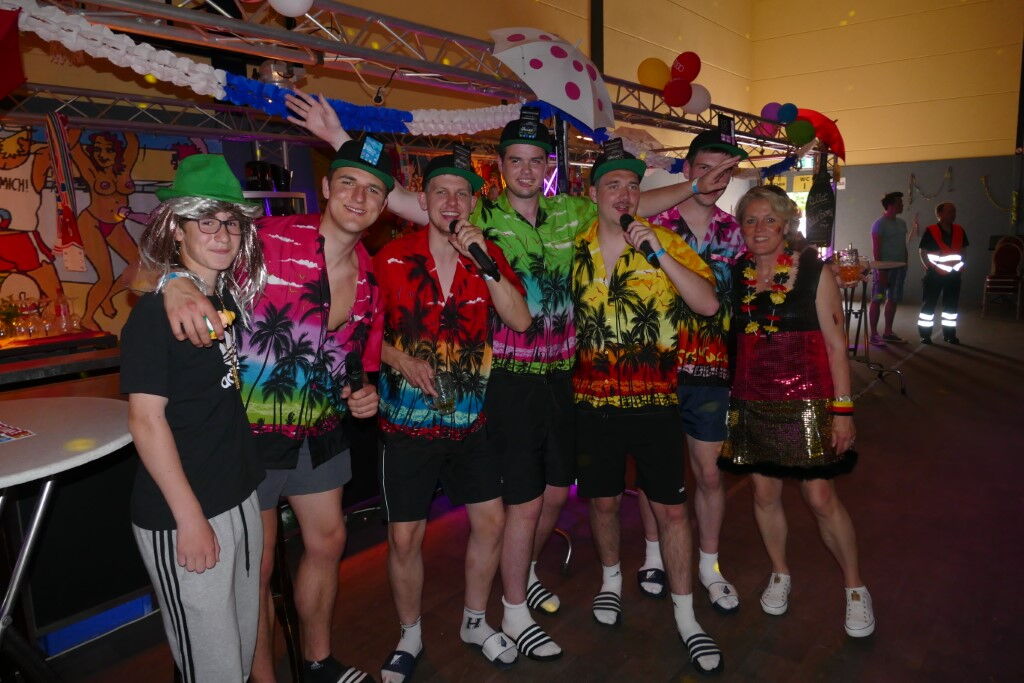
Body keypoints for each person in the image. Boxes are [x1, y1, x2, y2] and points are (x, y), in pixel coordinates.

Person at [283, 94, 738, 660]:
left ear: (548, 167)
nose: (526, 170)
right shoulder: (478, 218)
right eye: (515, 160)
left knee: (555, 493)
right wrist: (339, 140)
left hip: (565, 375)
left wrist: (694, 186)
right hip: (507, 377)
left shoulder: (572, 213)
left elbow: (630, 201)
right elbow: (406, 200)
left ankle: (522, 574)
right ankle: (514, 605)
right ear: (500, 168)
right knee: (520, 502)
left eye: (535, 160)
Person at [162, 139, 389, 683]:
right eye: (349, 182)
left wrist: (361, 392)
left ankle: (317, 660)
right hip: (252, 434)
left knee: (329, 541)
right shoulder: (266, 239)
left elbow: (352, 360)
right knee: (257, 567)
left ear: (384, 206)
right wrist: (174, 283)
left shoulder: (370, 279)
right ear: (327, 187)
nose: (359, 197)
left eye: (373, 190)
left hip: (321, 432)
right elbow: (178, 263)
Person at [372, 149, 531, 682]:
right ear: (423, 199)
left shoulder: (487, 255)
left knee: (492, 522)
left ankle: (474, 621)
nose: (452, 201)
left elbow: (520, 320)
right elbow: (358, 330)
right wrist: (397, 358)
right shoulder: (391, 257)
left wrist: (485, 263)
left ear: (472, 205)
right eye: (441, 191)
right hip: (406, 424)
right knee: (404, 538)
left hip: (470, 423)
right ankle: (410, 633)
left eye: (463, 193)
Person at [571, 142, 724, 675]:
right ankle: (611, 580)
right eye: (613, 184)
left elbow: (708, 303)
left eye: (633, 186)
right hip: (591, 403)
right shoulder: (574, 245)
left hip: (656, 402)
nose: (625, 194)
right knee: (604, 502)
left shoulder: (663, 241)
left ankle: (686, 614)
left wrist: (658, 252)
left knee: (673, 510)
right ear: (593, 193)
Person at [120, 154, 268, 680]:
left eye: (230, 221)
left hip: (238, 493)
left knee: (239, 650)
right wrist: (189, 519)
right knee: (210, 665)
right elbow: (145, 421)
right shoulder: (152, 316)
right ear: (177, 229)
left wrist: (172, 279)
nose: (221, 233)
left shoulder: (222, 294)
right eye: (205, 220)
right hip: (185, 509)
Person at [719, 186, 874, 638]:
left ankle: (855, 587)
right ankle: (780, 572)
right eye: (750, 220)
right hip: (752, 400)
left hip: (808, 401)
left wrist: (842, 411)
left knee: (820, 498)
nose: (759, 228)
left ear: (786, 224)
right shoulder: (737, 273)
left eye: (769, 219)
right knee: (764, 494)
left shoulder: (814, 272)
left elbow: (836, 347)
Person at [640, 129, 746, 612]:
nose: (715, 179)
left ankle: (709, 564)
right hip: (656, 369)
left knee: (708, 474)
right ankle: (653, 556)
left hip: (712, 372)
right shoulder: (653, 221)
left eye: (725, 172)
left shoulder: (736, 232)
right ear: (687, 170)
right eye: (705, 168)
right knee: (655, 473)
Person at [71, 130, 141, 326]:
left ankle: (108, 296)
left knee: (140, 265)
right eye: (97, 150)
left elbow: (132, 143)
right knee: (105, 277)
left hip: (115, 225)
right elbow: (74, 147)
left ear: (117, 152)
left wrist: (121, 121)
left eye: (109, 150)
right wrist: (77, 126)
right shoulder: (91, 171)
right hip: (91, 223)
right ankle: (87, 318)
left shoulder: (124, 167)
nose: (102, 154)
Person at [868, 191, 917, 347]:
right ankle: (874, 334)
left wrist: (905, 262)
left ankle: (888, 332)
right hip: (884, 270)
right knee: (877, 299)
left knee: (893, 299)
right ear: (890, 205)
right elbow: (876, 249)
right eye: (899, 203)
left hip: (899, 269)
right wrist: (881, 271)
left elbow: (903, 245)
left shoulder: (902, 223)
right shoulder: (879, 224)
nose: (902, 205)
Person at [917, 201, 967, 345]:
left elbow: (963, 250)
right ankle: (925, 335)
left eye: (954, 211)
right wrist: (928, 267)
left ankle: (950, 335)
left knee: (951, 307)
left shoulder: (959, 230)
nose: (953, 214)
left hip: (954, 275)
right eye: (950, 211)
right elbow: (922, 251)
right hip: (934, 275)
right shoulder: (931, 230)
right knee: (929, 305)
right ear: (939, 214)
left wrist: (961, 266)